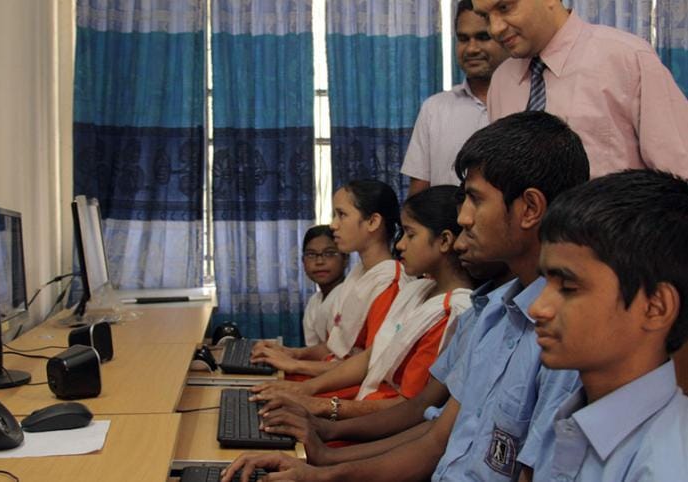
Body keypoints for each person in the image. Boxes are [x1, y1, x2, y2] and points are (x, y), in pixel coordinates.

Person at [221, 111, 589, 482]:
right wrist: (321, 464)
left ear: (529, 209)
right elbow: (433, 441)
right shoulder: (492, 312)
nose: (462, 217)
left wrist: (324, 434)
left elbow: (418, 414)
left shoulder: (566, 344)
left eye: (475, 200)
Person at [251, 186, 475, 420]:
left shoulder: (448, 309)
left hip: (372, 416)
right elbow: (370, 355)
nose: (334, 225)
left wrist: (315, 400)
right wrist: (300, 379)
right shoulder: (416, 289)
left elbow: (409, 406)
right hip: (362, 402)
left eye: (410, 234)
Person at [529, 169, 688, 481]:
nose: (538, 308)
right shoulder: (567, 419)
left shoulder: (664, 467)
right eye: (544, 283)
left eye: (568, 288)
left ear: (655, 307)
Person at [476, 0, 688, 178]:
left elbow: (678, 173)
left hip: (614, 225)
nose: (495, 28)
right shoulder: (502, 82)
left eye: (504, 7)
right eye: (485, 17)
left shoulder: (626, 59)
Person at [251, 180, 403, 377]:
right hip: (333, 375)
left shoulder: (389, 283)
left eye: (342, 215)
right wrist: (292, 353)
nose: (333, 225)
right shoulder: (359, 273)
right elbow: (336, 348)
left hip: (351, 390)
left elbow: (370, 366)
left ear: (373, 222)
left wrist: (296, 366)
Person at [402, 0, 509, 197]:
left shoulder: (531, 101)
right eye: (463, 38)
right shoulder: (434, 109)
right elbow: (418, 198)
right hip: (447, 227)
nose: (471, 49)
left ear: (506, 38)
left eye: (483, 37)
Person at [300, 225, 347, 346]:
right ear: (303, 261)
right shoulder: (314, 302)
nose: (319, 262)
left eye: (329, 253)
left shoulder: (351, 296)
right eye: (311, 255)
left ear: (345, 258)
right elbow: (312, 351)